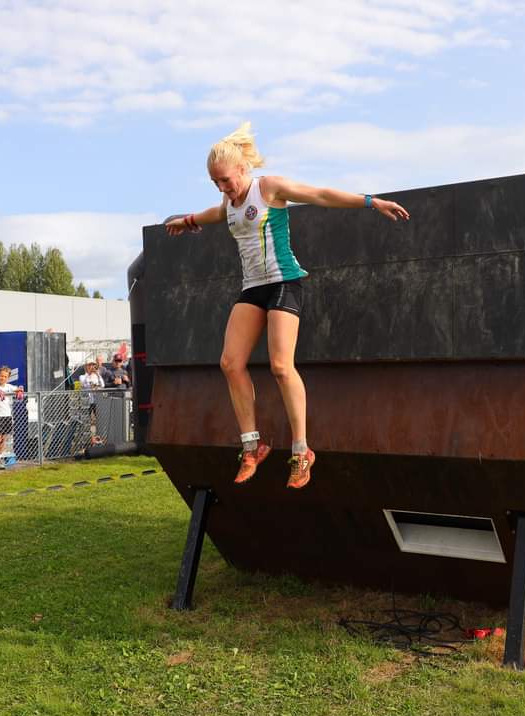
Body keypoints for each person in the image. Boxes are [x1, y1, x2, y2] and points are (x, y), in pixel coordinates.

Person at [165, 121, 409, 489]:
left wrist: (371, 202)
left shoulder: (269, 188)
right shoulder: (227, 204)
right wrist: (186, 222)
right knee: (230, 363)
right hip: (253, 289)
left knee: (281, 365)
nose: (222, 188)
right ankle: (252, 446)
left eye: (226, 181)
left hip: (284, 283)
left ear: (243, 170)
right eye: (215, 183)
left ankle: (301, 450)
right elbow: (214, 215)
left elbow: (322, 194)